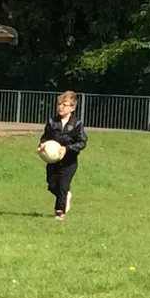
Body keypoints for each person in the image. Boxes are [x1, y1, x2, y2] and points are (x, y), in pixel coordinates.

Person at [37, 91, 87, 220]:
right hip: (53, 161)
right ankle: (66, 196)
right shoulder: (52, 122)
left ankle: (59, 213)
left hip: (69, 162)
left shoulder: (76, 123)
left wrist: (67, 149)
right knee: (52, 186)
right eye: (59, 104)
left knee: (63, 186)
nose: (61, 107)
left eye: (64, 105)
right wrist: (42, 145)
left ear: (72, 107)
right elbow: (45, 137)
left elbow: (82, 142)